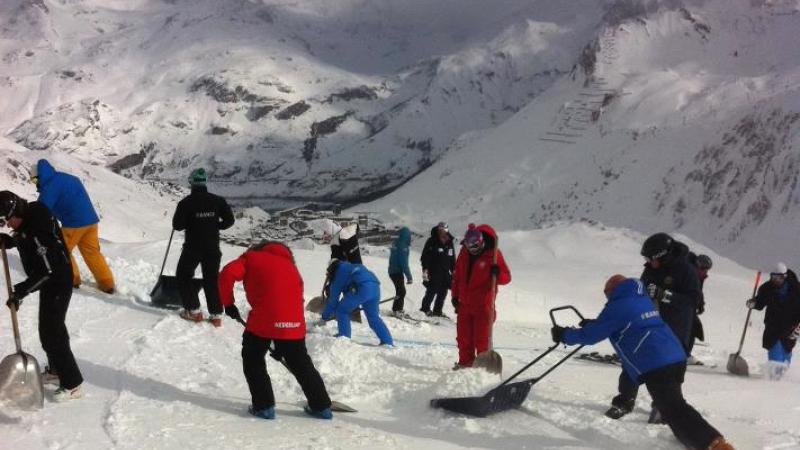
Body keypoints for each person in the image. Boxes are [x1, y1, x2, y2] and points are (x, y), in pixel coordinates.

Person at [552, 275, 735, 450]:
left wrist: (564, 335)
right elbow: (622, 322)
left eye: (606, 293)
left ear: (613, 290)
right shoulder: (639, 298)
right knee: (671, 405)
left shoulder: (619, 305)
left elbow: (591, 336)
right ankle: (691, 439)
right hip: (674, 356)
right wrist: (595, 323)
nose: (606, 297)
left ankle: (715, 444)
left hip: (657, 362)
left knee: (674, 407)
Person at [218, 241, 333, 419]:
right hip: (294, 323)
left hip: (263, 319)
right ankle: (322, 406)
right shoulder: (291, 267)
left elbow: (226, 274)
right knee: (300, 362)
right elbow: (296, 299)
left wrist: (228, 303)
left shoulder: (251, 258)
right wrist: (282, 343)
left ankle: (264, 406)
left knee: (253, 358)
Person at [606, 232, 701, 420]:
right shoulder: (650, 268)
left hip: (675, 327)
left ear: (664, 255)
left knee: (670, 370)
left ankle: (663, 408)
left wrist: (664, 295)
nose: (648, 262)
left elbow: (693, 300)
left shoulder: (686, 270)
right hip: (647, 324)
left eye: (651, 258)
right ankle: (625, 401)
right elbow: (640, 290)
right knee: (632, 361)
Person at [0, 191, 84, 402]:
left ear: (15, 211)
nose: (9, 225)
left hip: (57, 280)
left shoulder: (37, 229)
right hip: (52, 278)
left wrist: (21, 291)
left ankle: (72, 384)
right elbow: (29, 240)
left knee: (52, 332)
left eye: (8, 220)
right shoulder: (31, 215)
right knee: (49, 329)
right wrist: (11, 241)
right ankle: (57, 370)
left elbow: (47, 270)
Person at [32, 159, 115, 293]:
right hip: (91, 221)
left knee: (62, 251)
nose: (35, 184)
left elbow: (41, 209)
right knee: (92, 252)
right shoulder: (67, 178)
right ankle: (107, 283)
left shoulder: (50, 186)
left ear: (39, 176)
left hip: (74, 224)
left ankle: (72, 279)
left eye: (35, 180)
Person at [172, 168, 235, 326]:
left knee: (184, 276)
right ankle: (216, 316)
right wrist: (215, 225)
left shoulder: (185, 203)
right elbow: (229, 220)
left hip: (192, 248)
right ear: (205, 182)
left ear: (191, 182)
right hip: (212, 248)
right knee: (211, 280)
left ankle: (194, 311)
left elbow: (177, 225)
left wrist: (192, 222)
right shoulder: (218, 200)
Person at [450, 224, 511, 369]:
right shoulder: (464, 253)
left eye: (476, 246)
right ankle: (465, 364)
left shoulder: (494, 254)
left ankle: (483, 370)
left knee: (482, 340)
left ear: (482, 241)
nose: (473, 249)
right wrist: (455, 296)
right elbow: (457, 276)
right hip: (464, 304)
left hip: (483, 305)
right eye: (470, 246)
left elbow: (507, 278)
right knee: (464, 339)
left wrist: (497, 273)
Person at [746, 262, 800, 380]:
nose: (775, 280)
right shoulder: (767, 288)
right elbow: (760, 302)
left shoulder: (796, 288)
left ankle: (781, 378)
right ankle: (773, 378)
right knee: (774, 349)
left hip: (791, 327)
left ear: (784, 277)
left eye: (778, 277)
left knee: (786, 352)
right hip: (773, 326)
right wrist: (753, 303)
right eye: (773, 277)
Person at [321, 259, 393, 346]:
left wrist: (324, 317)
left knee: (341, 310)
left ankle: (344, 337)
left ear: (332, 268)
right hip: (375, 288)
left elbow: (333, 300)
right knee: (373, 317)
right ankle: (387, 341)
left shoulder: (338, 273)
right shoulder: (352, 266)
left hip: (361, 287)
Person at [420, 222, 455, 317]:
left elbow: (452, 257)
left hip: (445, 272)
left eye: (444, 230)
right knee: (431, 291)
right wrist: (425, 269)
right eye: (440, 230)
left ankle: (437, 311)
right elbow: (425, 256)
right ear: (438, 230)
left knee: (443, 292)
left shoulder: (449, 242)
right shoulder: (432, 241)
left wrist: (454, 270)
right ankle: (425, 309)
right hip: (434, 270)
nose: (442, 232)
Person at [687, 253, 713, 361]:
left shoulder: (699, 277)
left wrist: (700, 304)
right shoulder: (689, 274)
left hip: (690, 307)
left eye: (707, 269)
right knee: (689, 329)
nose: (705, 272)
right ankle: (682, 354)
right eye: (703, 269)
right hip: (682, 307)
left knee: (694, 329)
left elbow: (698, 292)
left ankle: (685, 354)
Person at [388, 227, 413, 316]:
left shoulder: (397, 243)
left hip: (393, 270)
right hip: (396, 271)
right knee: (401, 291)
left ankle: (397, 309)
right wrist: (409, 277)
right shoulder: (402, 246)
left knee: (400, 291)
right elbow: (404, 263)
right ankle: (397, 310)